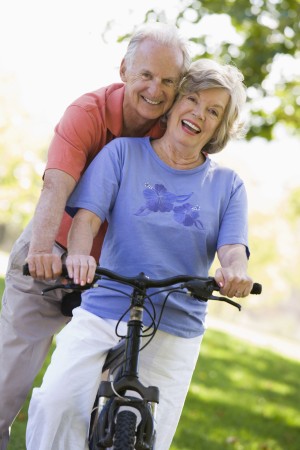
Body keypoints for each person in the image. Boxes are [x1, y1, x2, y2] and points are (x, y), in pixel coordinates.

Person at [26, 58, 254, 450]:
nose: (199, 114)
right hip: (106, 304)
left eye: (213, 111)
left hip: (176, 320)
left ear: (220, 126)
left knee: (152, 432)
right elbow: (89, 218)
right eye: (193, 100)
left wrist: (235, 271)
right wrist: (80, 256)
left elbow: (232, 248)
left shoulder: (228, 185)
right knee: (57, 402)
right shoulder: (122, 154)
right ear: (176, 101)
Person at [0, 22, 191, 449]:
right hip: (56, 250)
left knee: (99, 402)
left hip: (115, 276)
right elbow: (57, 184)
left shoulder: (172, 129)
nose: (156, 90)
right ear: (124, 69)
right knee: (5, 387)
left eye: (168, 81)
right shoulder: (87, 112)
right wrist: (45, 248)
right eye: (146, 75)